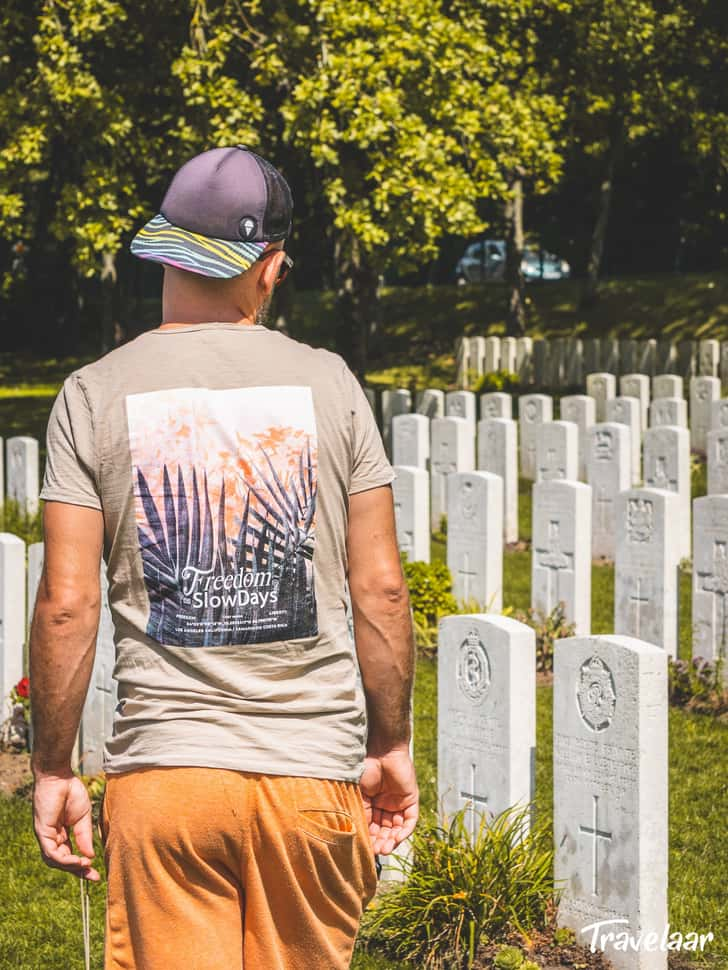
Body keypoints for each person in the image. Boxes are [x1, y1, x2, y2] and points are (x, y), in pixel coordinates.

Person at [30, 145, 418, 970]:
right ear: (270, 267)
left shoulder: (92, 391)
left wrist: (52, 766)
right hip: (311, 774)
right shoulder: (332, 383)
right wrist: (390, 744)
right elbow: (380, 588)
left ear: (164, 249)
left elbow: (68, 602)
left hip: (168, 779)